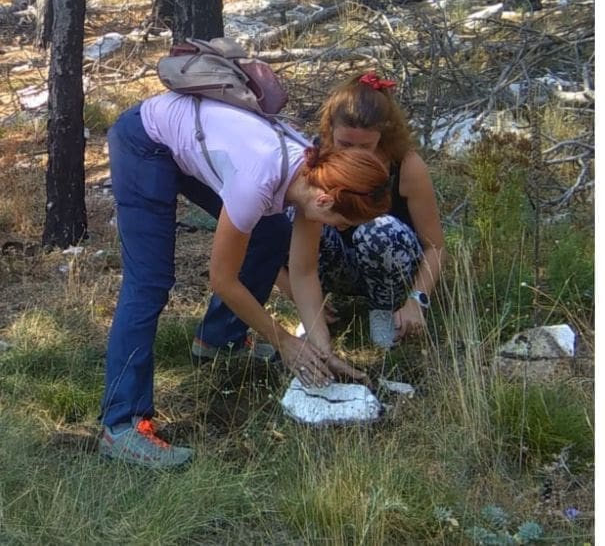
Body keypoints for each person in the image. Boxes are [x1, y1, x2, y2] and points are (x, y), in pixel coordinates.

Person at [100, 93, 391, 469]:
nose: (343, 230)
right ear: (325, 203)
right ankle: (121, 424)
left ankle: (219, 340)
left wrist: (322, 349)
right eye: (345, 223)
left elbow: (302, 272)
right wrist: (283, 341)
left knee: (271, 237)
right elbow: (222, 279)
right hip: (145, 139)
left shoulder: (317, 175)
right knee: (149, 281)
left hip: (191, 140)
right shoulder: (257, 182)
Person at [277, 72, 445, 349]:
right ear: (329, 131)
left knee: (379, 229)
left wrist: (418, 299)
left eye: (365, 146)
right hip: (330, 266)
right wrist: (294, 290)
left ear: (383, 135)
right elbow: (262, 233)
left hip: (389, 264)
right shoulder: (313, 160)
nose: (354, 154)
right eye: (345, 144)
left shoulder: (406, 165)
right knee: (292, 215)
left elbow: (435, 247)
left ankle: (384, 310)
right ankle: (314, 309)